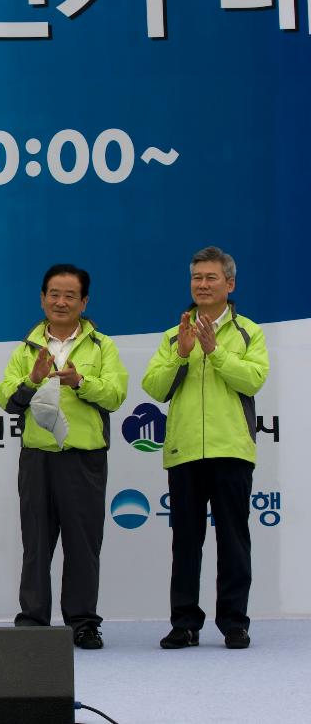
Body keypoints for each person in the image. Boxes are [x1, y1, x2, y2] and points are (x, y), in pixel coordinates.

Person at [0, 264, 127, 650]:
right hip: (37, 457)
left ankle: (82, 622)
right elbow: (5, 398)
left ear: (84, 302)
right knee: (36, 542)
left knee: (83, 544)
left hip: (84, 458)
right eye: (54, 294)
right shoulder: (27, 347)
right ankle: (33, 619)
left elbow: (116, 395)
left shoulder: (103, 346)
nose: (61, 302)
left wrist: (81, 382)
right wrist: (33, 379)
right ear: (42, 298)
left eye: (70, 296)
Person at [142, 246, 269, 650]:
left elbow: (252, 380)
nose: (202, 284)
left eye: (211, 278)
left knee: (233, 539)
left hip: (231, 449)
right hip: (184, 451)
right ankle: (184, 622)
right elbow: (155, 388)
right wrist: (181, 353)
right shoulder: (173, 334)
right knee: (186, 541)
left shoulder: (250, 331)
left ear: (229, 284)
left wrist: (214, 351)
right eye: (197, 278)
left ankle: (234, 622)